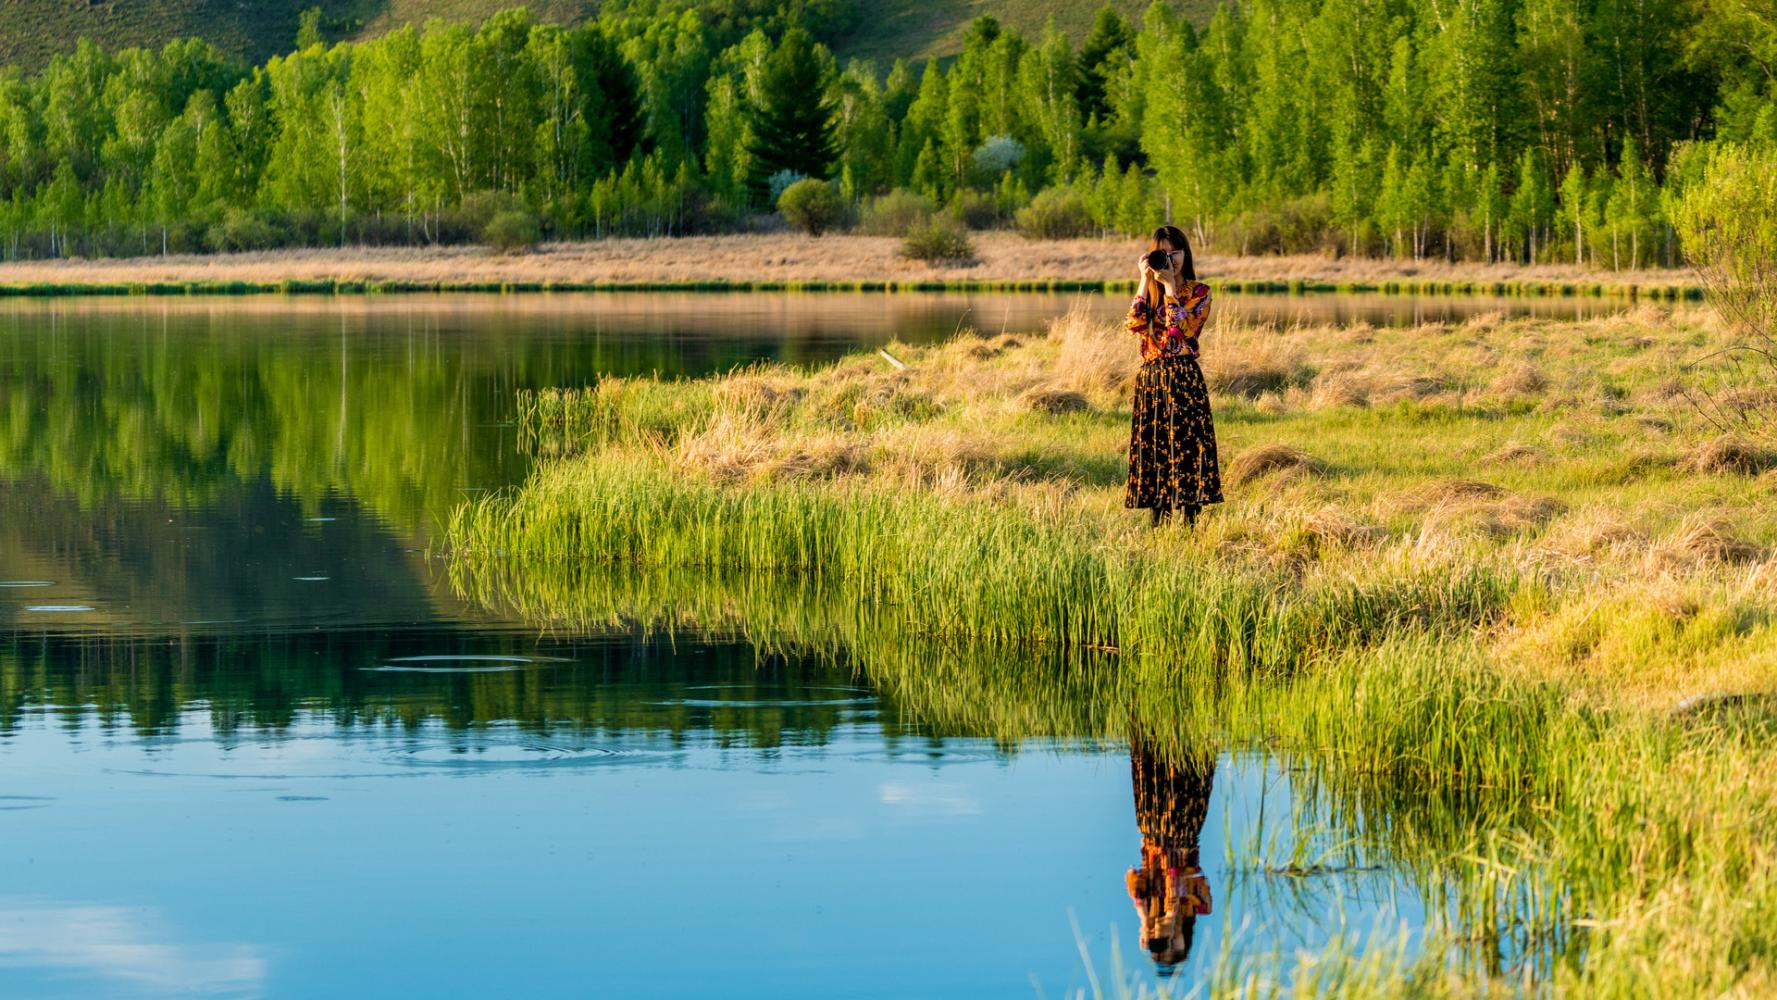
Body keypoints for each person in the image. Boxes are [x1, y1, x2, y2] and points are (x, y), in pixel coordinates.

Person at [1125, 225, 1223, 527]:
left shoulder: (1199, 292)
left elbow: (1181, 332)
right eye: (1163, 253)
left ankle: (1191, 522)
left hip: (1184, 377)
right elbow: (1133, 324)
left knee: (1189, 449)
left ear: (1185, 254)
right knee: (1156, 450)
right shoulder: (1150, 294)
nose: (1170, 259)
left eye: (1175, 253)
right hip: (1152, 378)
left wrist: (1169, 288)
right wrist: (1145, 281)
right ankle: (1159, 521)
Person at [1124, 740, 1216, 977]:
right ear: (1186, 943)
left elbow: (1132, 876)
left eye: (1163, 940)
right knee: (1191, 759)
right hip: (1184, 826)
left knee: (1149, 756)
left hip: (1152, 824)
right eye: (1175, 944)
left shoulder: (1148, 901)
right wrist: (1172, 911)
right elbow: (1180, 873)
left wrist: (1144, 918)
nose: (1170, 936)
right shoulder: (1200, 905)